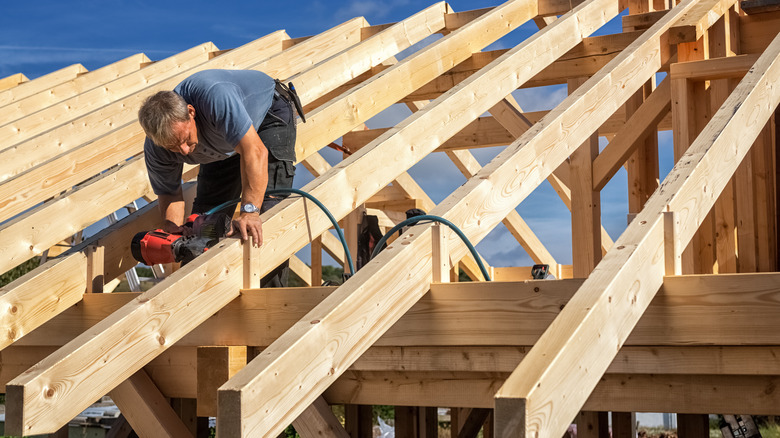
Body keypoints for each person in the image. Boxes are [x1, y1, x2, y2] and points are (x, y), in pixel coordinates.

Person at [138, 69, 298, 287]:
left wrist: (250, 211)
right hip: (223, 144)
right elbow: (169, 192)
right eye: (173, 147)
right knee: (201, 228)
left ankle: (270, 307)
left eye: (185, 139)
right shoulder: (156, 148)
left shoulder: (215, 98)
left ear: (191, 112)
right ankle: (202, 304)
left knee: (264, 217)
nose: (184, 151)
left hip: (267, 117)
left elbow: (255, 151)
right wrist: (173, 228)